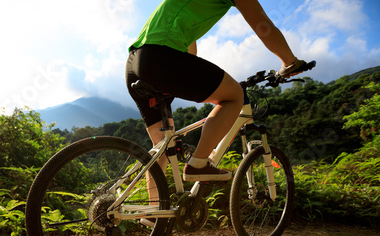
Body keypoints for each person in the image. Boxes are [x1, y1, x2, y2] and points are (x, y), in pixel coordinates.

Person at [125, 0, 307, 183]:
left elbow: (190, 48)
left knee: (162, 149)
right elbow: (264, 27)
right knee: (235, 95)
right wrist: (290, 63)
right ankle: (198, 164)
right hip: (160, 57)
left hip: (136, 62)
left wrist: (192, 77)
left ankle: (154, 209)